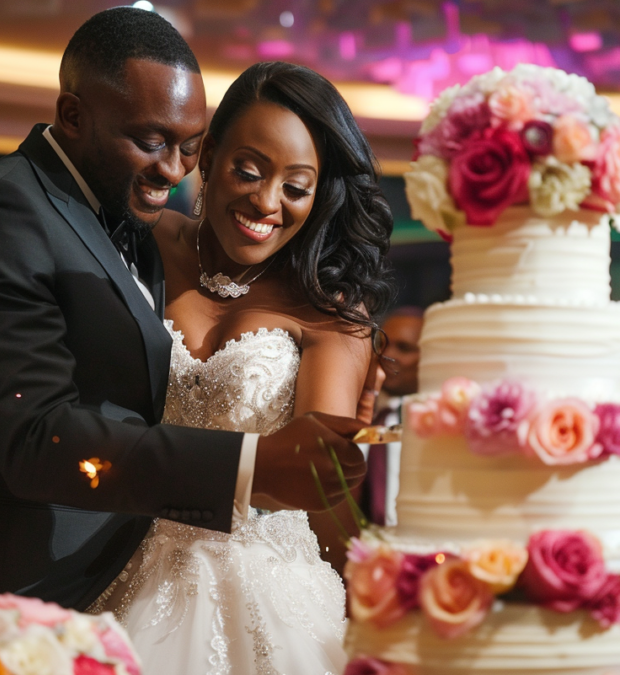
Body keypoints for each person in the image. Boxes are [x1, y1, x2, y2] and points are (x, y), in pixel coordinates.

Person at [0, 7, 366, 649]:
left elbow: (322, 484)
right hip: (40, 580)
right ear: (73, 116)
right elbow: (35, 437)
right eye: (151, 141)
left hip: (247, 584)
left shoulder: (131, 220)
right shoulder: (8, 212)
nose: (173, 170)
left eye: (187, 146)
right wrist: (246, 465)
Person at [95, 60, 394, 673]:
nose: (266, 202)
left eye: (296, 186)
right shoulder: (139, 245)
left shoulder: (332, 314)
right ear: (208, 156)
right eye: (249, 171)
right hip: (112, 556)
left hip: (263, 588)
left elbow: (313, 480)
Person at [362, 306, 422, 528]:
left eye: (404, 348)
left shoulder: (433, 426)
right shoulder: (352, 409)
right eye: (382, 344)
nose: (388, 355)